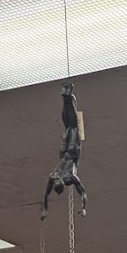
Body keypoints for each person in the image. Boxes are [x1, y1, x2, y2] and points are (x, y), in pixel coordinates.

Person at [42, 83, 87, 218]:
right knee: (73, 127)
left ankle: (66, 98)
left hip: (63, 154)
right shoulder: (71, 178)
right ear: (63, 183)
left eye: (57, 180)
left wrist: (45, 210)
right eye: (59, 181)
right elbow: (83, 192)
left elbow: (45, 196)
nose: (58, 178)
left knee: (67, 127)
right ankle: (69, 97)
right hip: (73, 153)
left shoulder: (52, 178)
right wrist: (84, 208)